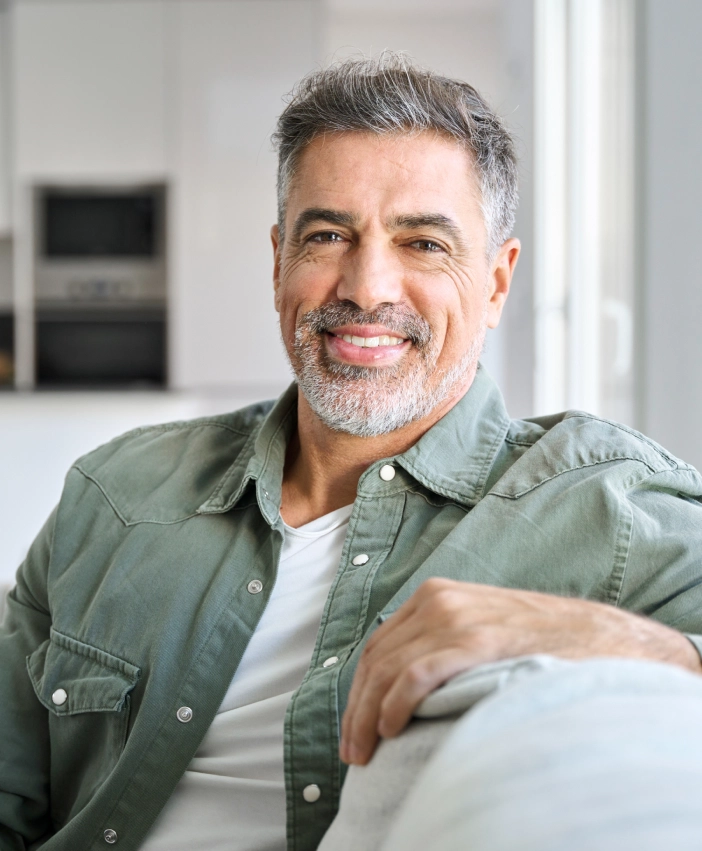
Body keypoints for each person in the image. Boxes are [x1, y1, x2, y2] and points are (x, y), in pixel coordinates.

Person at [2, 54, 702, 851]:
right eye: (329, 234)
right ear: (278, 264)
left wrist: (607, 636)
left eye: (424, 244)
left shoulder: (606, 505)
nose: (368, 287)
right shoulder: (115, 492)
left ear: (498, 282)